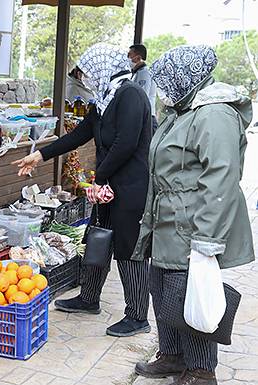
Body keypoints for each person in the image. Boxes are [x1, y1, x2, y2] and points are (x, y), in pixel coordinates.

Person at [133, 45, 254, 385]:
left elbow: (221, 177)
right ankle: (172, 356)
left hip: (193, 223)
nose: (165, 89)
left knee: (190, 295)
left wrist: (207, 237)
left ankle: (202, 372)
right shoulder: (182, 110)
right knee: (161, 286)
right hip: (169, 218)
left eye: (169, 81)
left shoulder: (213, 114)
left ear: (186, 78)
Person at [13, 43, 153, 337]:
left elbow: (125, 144)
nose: (86, 78)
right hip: (107, 186)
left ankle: (138, 315)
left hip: (129, 188)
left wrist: (99, 178)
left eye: (90, 72)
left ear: (104, 68)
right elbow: (78, 135)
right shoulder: (103, 101)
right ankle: (89, 298)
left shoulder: (131, 95)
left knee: (129, 249)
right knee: (98, 239)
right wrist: (39, 155)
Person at [128, 44, 158, 132]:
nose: (128, 58)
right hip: (142, 116)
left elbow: (141, 96)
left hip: (146, 118)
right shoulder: (136, 73)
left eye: (130, 55)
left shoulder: (144, 73)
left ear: (138, 58)